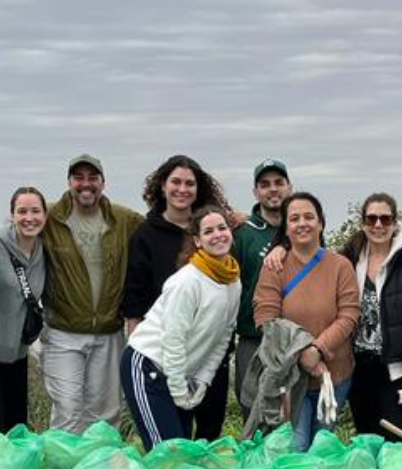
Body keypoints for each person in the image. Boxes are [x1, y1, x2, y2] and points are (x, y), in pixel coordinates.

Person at [122, 155, 231, 440]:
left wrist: (201, 381)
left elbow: (224, 332)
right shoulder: (184, 279)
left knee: (186, 449)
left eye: (190, 183)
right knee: (169, 455)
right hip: (155, 361)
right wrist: (180, 391)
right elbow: (164, 328)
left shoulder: (231, 278)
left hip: (189, 365)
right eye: (176, 182)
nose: (182, 189)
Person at [40, 154, 144, 433]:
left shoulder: (124, 220)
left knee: (105, 416)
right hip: (63, 330)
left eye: (92, 178)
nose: (86, 185)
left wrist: (233, 219)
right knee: (67, 409)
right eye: (79, 178)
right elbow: (14, 229)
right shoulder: (49, 217)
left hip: (109, 332)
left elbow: (163, 227)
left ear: (103, 183)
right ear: (69, 182)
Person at [253, 191, 360, 450]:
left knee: (322, 448)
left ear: (321, 223)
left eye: (309, 217)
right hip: (291, 377)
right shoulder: (274, 267)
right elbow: (265, 318)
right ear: (286, 228)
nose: (302, 223)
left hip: (333, 377)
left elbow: (349, 314)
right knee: (297, 447)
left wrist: (318, 349)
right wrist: (303, 354)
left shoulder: (340, 266)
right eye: (295, 218)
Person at [338, 192, 402, 439]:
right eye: (371, 219)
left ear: (394, 222)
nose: (378, 225)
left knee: (394, 442)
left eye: (384, 219)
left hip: (396, 370)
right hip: (359, 367)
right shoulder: (351, 258)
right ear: (362, 223)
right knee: (366, 440)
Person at [0, 187, 47, 431]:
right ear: (12, 215)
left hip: (18, 355)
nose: (29, 218)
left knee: (16, 428)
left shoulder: (43, 250)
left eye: (36, 211)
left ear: (45, 215)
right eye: (22, 211)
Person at [233, 159, 292, 416]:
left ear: (289, 187)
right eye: (265, 184)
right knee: (253, 409)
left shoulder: (303, 227)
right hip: (253, 337)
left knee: (291, 413)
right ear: (256, 192)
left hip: (294, 339)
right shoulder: (244, 233)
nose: (273, 189)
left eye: (279, 183)